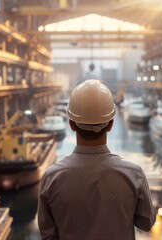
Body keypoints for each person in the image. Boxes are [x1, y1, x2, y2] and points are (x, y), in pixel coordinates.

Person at [38, 79, 155, 240]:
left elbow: (47, 234)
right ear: (110, 124)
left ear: (72, 124)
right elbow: (146, 223)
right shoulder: (134, 174)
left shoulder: (51, 178)